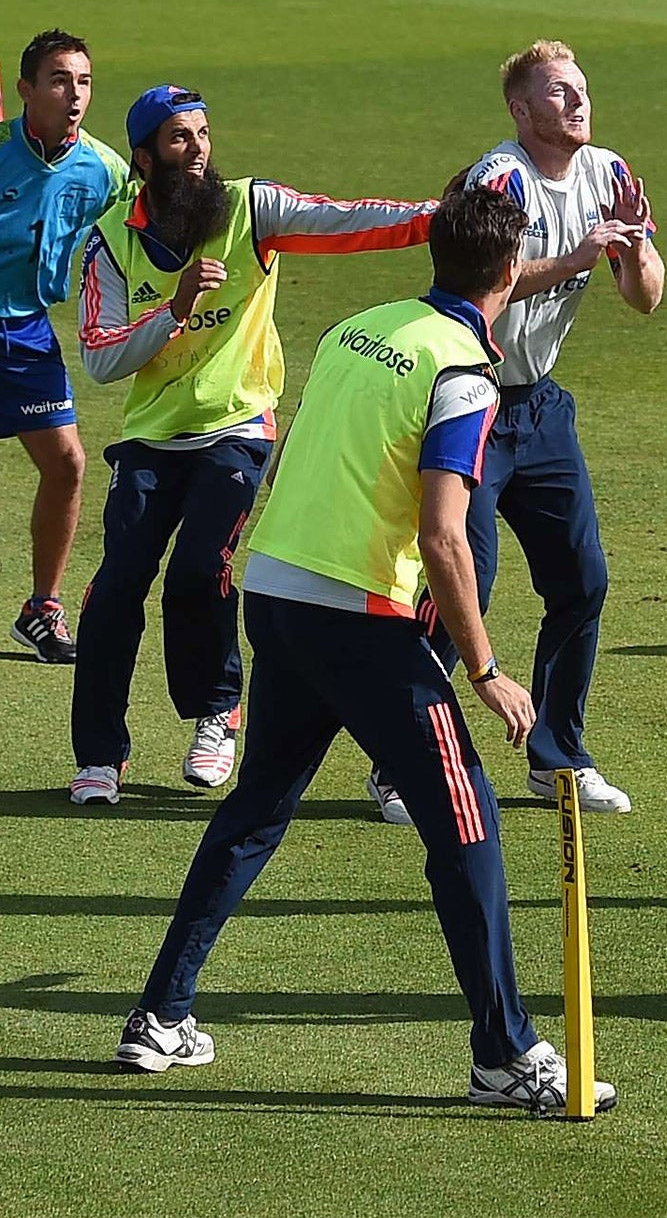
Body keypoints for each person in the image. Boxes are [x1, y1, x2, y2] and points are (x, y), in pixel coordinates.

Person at [118, 184, 616, 1113]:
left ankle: (159, 1016)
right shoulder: (464, 373)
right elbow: (446, 538)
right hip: (358, 618)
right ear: (511, 272)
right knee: (468, 823)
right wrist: (489, 671)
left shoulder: (362, 327)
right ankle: (504, 1056)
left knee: (257, 810)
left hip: (275, 593)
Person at [67, 86, 438, 804]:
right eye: (179, 139)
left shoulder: (248, 207)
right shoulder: (110, 240)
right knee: (114, 590)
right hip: (152, 435)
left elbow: (345, 221)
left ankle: (215, 712)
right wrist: (175, 310)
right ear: (144, 159)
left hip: (237, 426)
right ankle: (99, 758)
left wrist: (440, 219)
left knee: (201, 569)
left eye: (203, 133)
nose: (199, 149)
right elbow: (104, 360)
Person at [374, 40, 661, 826]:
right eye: (557, 94)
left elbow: (647, 298)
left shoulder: (609, 173)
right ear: (521, 110)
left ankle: (557, 756)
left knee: (582, 580)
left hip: (538, 408)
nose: (576, 103)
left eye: (581, 90)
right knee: (463, 586)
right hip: (469, 398)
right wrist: (578, 253)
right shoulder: (497, 179)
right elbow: (482, 280)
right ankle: (403, 764)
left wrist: (631, 250)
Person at [0, 31, 129, 663]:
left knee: (68, 463)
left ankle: (42, 609)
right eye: (58, 80)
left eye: (82, 81)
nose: (73, 93)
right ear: (25, 90)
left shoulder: (102, 168)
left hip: (25, 331)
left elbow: (147, 224)